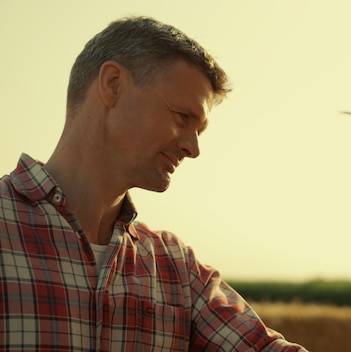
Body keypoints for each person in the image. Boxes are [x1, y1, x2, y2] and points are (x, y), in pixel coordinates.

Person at [0, 16, 308, 351]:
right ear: (113, 84)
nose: (193, 148)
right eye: (182, 117)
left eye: (199, 131)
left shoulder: (176, 268)